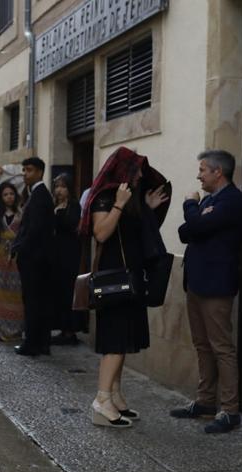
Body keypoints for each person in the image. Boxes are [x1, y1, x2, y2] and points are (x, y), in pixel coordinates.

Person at [84, 147, 170, 428]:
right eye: (137, 171)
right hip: (114, 281)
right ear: (125, 172)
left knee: (124, 340)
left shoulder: (132, 198)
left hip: (131, 279)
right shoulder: (107, 197)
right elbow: (101, 233)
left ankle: (115, 397)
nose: (141, 175)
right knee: (115, 342)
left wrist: (147, 208)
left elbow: (135, 235)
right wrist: (119, 203)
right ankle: (101, 400)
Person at [170, 150, 242, 434]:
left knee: (221, 347)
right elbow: (185, 232)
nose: (198, 175)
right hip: (197, 281)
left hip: (216, 284)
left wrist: (191, 205)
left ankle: (229, 410)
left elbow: (196, 226)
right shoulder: (211, 202)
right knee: (202, 345)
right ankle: (205, 401)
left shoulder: (232, 200)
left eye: (203, 169)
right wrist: (197, 218)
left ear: (218, 172)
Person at [10, 157, 55, 356]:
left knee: (33, 301)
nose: (25, 174)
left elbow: (34, 229)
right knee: (40, 301)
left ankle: (32, 343)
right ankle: (42, 342)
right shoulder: (37, 194)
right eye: (24, 170)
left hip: (34, 260)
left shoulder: (39, 195)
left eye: (28, 170)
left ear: (39, 172)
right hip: (39, 258)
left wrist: (19, 247)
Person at [0, 181, 24, 342]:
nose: (9, 197)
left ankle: (15, 330)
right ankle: (1, 329)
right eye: (5, 194)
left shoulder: (21, 214)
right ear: (1, 197)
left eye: (11, 194)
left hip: (16, 260)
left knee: (16, 294)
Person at [50, 173, 82, 346]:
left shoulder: (74, 206)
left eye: (62, 186)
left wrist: (57, 214)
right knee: (59, 291)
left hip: (69, 254)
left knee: (69, 291)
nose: (59, 190)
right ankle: (62, 328)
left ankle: (70, 330)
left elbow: (71, 224)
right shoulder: (55, 205)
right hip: (56, 253)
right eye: (57, 186)